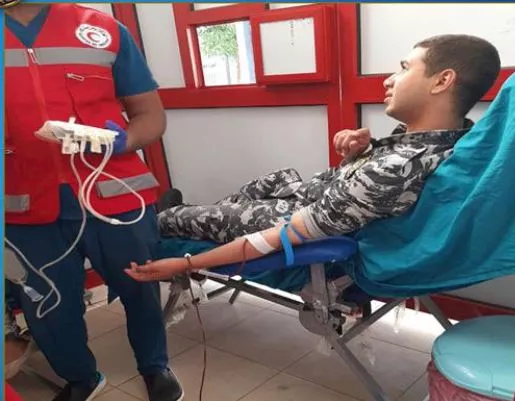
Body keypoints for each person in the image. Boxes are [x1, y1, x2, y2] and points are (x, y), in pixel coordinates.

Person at [124, 34, 500, 282]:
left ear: (442, 81)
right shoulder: (450, 139)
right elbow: (381, 183)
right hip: (311, 195)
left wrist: (186, 263)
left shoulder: (396, 168)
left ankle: (178, 220)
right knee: (274, 178)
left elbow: (282, 236)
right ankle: (201, 217)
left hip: (295, 218)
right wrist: (361, 152)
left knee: (171, 219)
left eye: (403, 68)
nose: (389, 80)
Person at [5, 4, 183, 401]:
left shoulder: (102, 29)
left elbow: (150, 115)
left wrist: (125, 140)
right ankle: (81, 378)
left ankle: (155, 366)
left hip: (116, 194)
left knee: (140, 287)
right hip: (23, 206)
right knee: (47, 305)